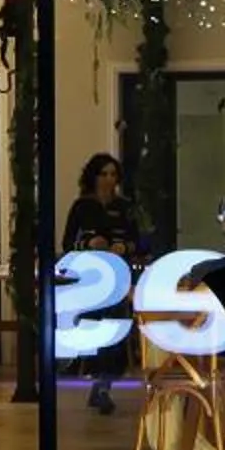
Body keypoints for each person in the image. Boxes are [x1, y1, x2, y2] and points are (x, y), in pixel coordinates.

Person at [63, 153, 142, 415]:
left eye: (113, 174)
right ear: (93, 177)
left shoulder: (125, 207)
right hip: (90, 277)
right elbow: (67, 243)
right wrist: (88, 244)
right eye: (104, 174)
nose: (109, 179)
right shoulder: (82, 206)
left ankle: (104, 385)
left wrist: (125, 247)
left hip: (118, 274)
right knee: (97, 326)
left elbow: (139, 242)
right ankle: (97, 380)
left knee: (116, 326)